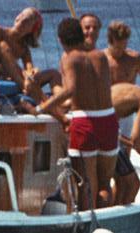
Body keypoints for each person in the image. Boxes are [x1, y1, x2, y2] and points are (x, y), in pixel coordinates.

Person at [51, 13, 119, 207]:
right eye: (87, 28)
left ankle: (86, 227)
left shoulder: (70, 58)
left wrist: (42, 106)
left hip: (85, 121)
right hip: (108, 119)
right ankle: (104, 221)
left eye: (94, 28)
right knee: (104, 183)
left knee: (87, 185)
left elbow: (70, 92)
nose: (91, 32)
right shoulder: (102, 56)